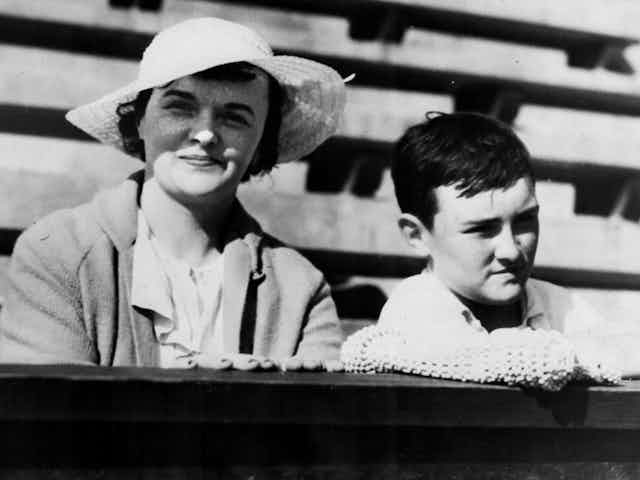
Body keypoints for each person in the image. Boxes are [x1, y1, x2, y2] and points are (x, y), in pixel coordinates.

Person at [0, 17, 346, 369]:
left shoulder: (301, 287)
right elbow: (46, 413)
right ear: (138, 119)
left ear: (261, 143)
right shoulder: (59, 253)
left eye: (235, 117)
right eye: (180, 107)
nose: (206, 134)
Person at [379, 111, 640, 377]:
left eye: (525, 220)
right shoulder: (413, 308)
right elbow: (491, 360)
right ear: (416, 236)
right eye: (482, 229)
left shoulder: (557, 303)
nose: (511, 250)